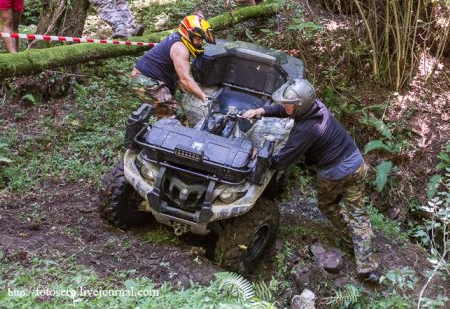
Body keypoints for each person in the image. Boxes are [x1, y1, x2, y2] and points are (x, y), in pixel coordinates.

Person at [242, 79, 380, 283]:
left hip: (335, 172)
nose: (285, 106)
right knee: (358, 213)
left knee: (327, 204)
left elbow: (280, 161)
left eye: (289, 104)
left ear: (300, 105)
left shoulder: (307, 129)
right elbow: (286, 110)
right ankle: (368, 268)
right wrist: (262, 111)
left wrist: (255, 154)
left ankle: (349, 240)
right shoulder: (315, 106)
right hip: (356, 164)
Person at [131, 14, 214, 118]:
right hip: (145, 81)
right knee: (177, 115)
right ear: (188, 34)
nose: (200, 43)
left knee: (167, 110)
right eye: (198, 39)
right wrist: (204, 97)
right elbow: (186, 80)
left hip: (150, 79)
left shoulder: (179, 39)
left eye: (202, 39)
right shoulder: (180, 48)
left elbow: (177, 70)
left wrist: (179, 81)